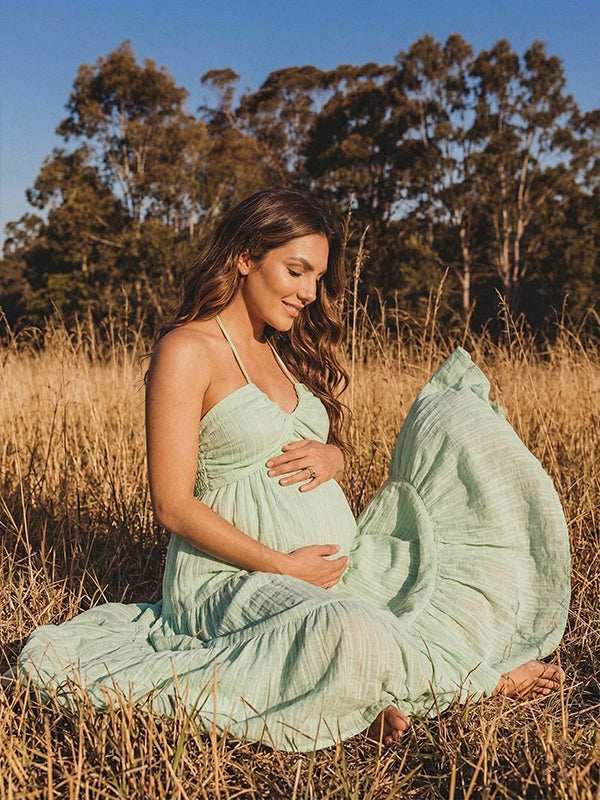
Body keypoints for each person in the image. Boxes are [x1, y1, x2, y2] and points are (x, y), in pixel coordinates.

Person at [12, 188, 570, 750]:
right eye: (296, 270)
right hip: (231, 578)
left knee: (447, 578)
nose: (309, 292)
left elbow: (296, 443)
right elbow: (172, 505)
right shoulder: (187, 350)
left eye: (318, 277)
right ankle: (468, 685)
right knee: (347, 628)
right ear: (245, 256)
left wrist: (336, 455)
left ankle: (348, 696)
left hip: (332, 569)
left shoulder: (281, 347)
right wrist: (282, 567)